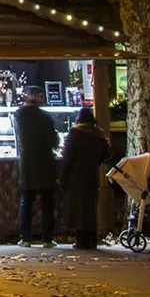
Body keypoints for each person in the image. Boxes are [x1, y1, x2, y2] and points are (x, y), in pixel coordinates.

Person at [15, 86, 60, 248]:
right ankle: (47, 238)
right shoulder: (46, 117)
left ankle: (25, 238)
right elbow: (54, 141)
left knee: (26, 201)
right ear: (39, 98)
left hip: (27, 162)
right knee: (47, 203)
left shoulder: (19, 115)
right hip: (46, 163)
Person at [59, 107, 110, 250]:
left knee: (78, 209)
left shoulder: (75, 133)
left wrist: (63, 177)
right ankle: (91, 241)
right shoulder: (98, 134)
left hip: (76, 176)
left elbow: (68, 157)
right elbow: (106, 155)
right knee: (90, 208)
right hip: (92, 174)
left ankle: (81, 241)